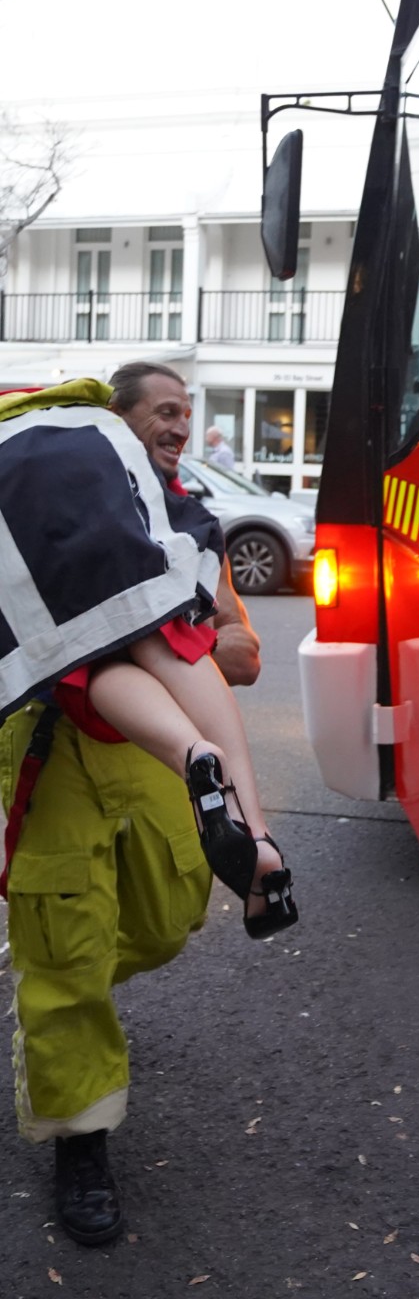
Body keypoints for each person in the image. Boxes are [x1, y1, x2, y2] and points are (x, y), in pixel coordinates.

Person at [0, 361, 288, 1247]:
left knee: (166, 917)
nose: (180, 423)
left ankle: (239, 833)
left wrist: (218, 633)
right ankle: (78, 1132)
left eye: (186, 412)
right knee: (64, 944)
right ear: (119, 424)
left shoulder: (176, 513)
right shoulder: (90, 488)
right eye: (164, 411)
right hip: (42, 748)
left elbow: (235, 646)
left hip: (137, 742)